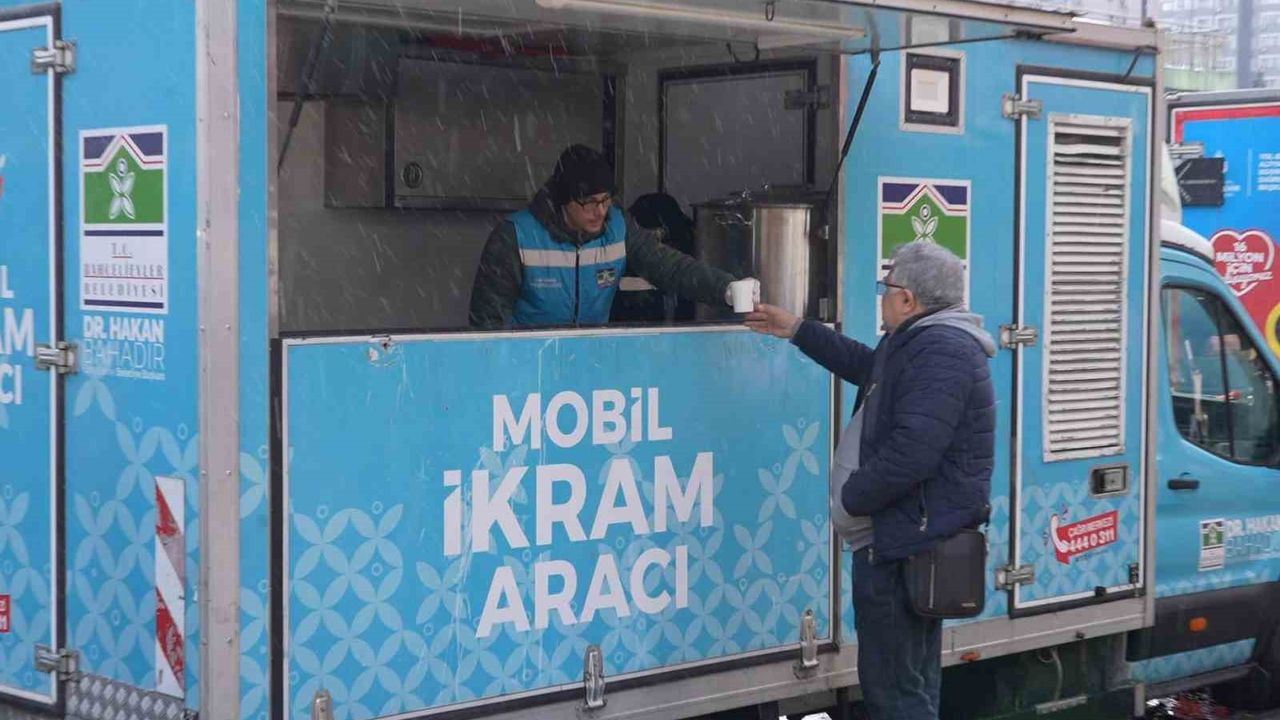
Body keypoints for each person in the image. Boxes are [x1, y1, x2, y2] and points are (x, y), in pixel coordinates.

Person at [745, 240, 995, 720]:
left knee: (896, 693)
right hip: (902, 541)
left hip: (901, 545)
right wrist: (796, 329)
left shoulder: (940, 350)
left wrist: (853, 499)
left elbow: (912, 453)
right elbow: (869, 368)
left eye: (887, 288)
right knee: (905, 686)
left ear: (908, 299)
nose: (882, 297)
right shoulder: (920, 341)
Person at [468, 145, 755, 329]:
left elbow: (670, 267)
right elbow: (488, 320)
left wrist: (724, 288)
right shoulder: (516, 236)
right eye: (589, 203)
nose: (600, 212)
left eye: (606, 200)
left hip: (593, 360)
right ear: (563, 200)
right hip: (530, 364)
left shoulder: (618, 227)